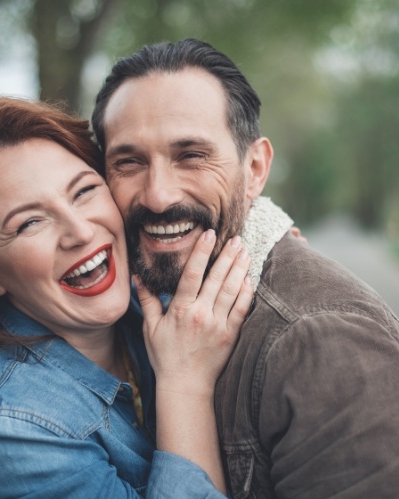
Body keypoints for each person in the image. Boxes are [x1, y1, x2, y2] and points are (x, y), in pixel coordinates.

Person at [0, 95, 254, 498]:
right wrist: (184, 383)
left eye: (83, 191)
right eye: (29, 222)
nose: (81, 231)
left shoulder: (144, 303)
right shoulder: (3, 428)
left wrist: (268, 242)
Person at [91, 38, 399, 498]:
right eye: (129, 162)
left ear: (254, 169)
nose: (157, 195)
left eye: (190, 156)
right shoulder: (132, 299)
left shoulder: (322, 339)